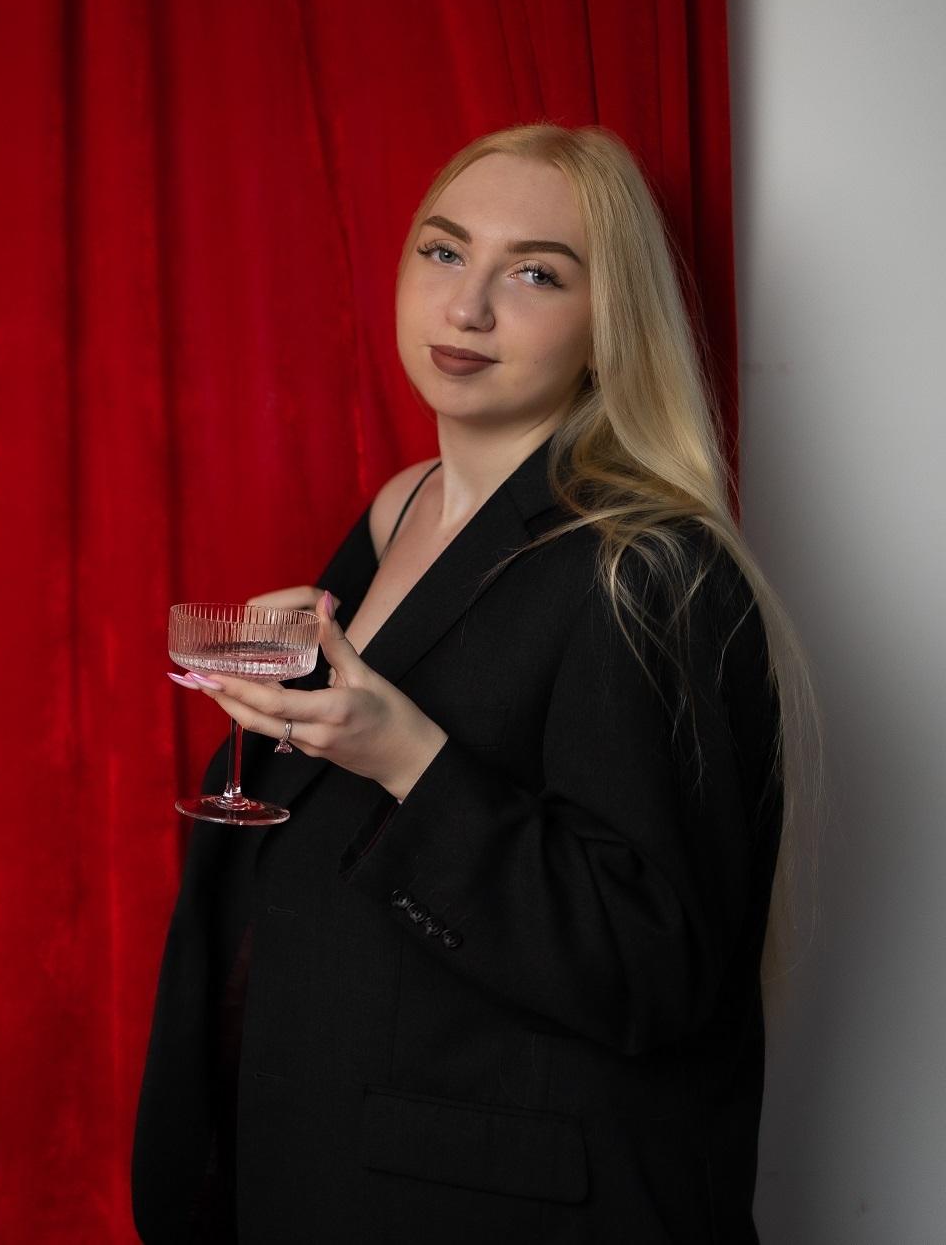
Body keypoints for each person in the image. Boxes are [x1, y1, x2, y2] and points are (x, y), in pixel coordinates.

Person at [131, 124, 817, 1243]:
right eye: (443, 251)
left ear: (608, 327)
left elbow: (652, 966)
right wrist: (289, 711)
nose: (466, 306)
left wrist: (406, 754)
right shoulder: (397, 511)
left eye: (535, 274)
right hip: (316, 1164)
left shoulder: (643, 565)